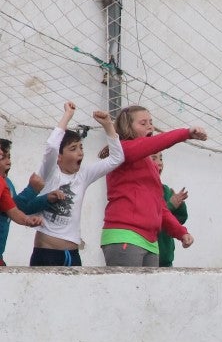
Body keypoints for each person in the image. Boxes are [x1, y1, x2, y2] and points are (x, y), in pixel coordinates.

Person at [100, 105, 205, 266]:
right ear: (128, 127)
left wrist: (180, 232)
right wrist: (185, 133)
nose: (149, 126)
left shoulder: (148, 164)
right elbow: (155, 143)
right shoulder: (123, 150)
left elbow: (160, 206)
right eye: (143, 123)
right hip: (125, 234)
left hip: (150, 240)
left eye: (150, 122)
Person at [32, 103, 124, 267]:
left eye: (81, 147)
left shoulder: (83, 175)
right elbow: (52, 146)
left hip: (73, 255)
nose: (80, 152)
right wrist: (67, 115)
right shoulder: (49, 173)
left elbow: (117, 158)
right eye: (73, 148)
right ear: (59, 157)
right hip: (47, 253)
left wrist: (108, 125)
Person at [0, 138, 51, 265]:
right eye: (3, 158)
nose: (8, 162)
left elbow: (14, 209)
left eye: (9, 157)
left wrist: (28, 220)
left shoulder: (5, 184)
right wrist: (31, 190)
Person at [151, 152, 189, 268]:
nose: (160, 163)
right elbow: (152, 218)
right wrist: (170, 205)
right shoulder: (142, 190)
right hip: (149, 254)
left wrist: (179, 205)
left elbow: (179, 220)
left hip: (166, 258)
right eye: (154, 158)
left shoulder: (165, 190)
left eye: (161, 158)